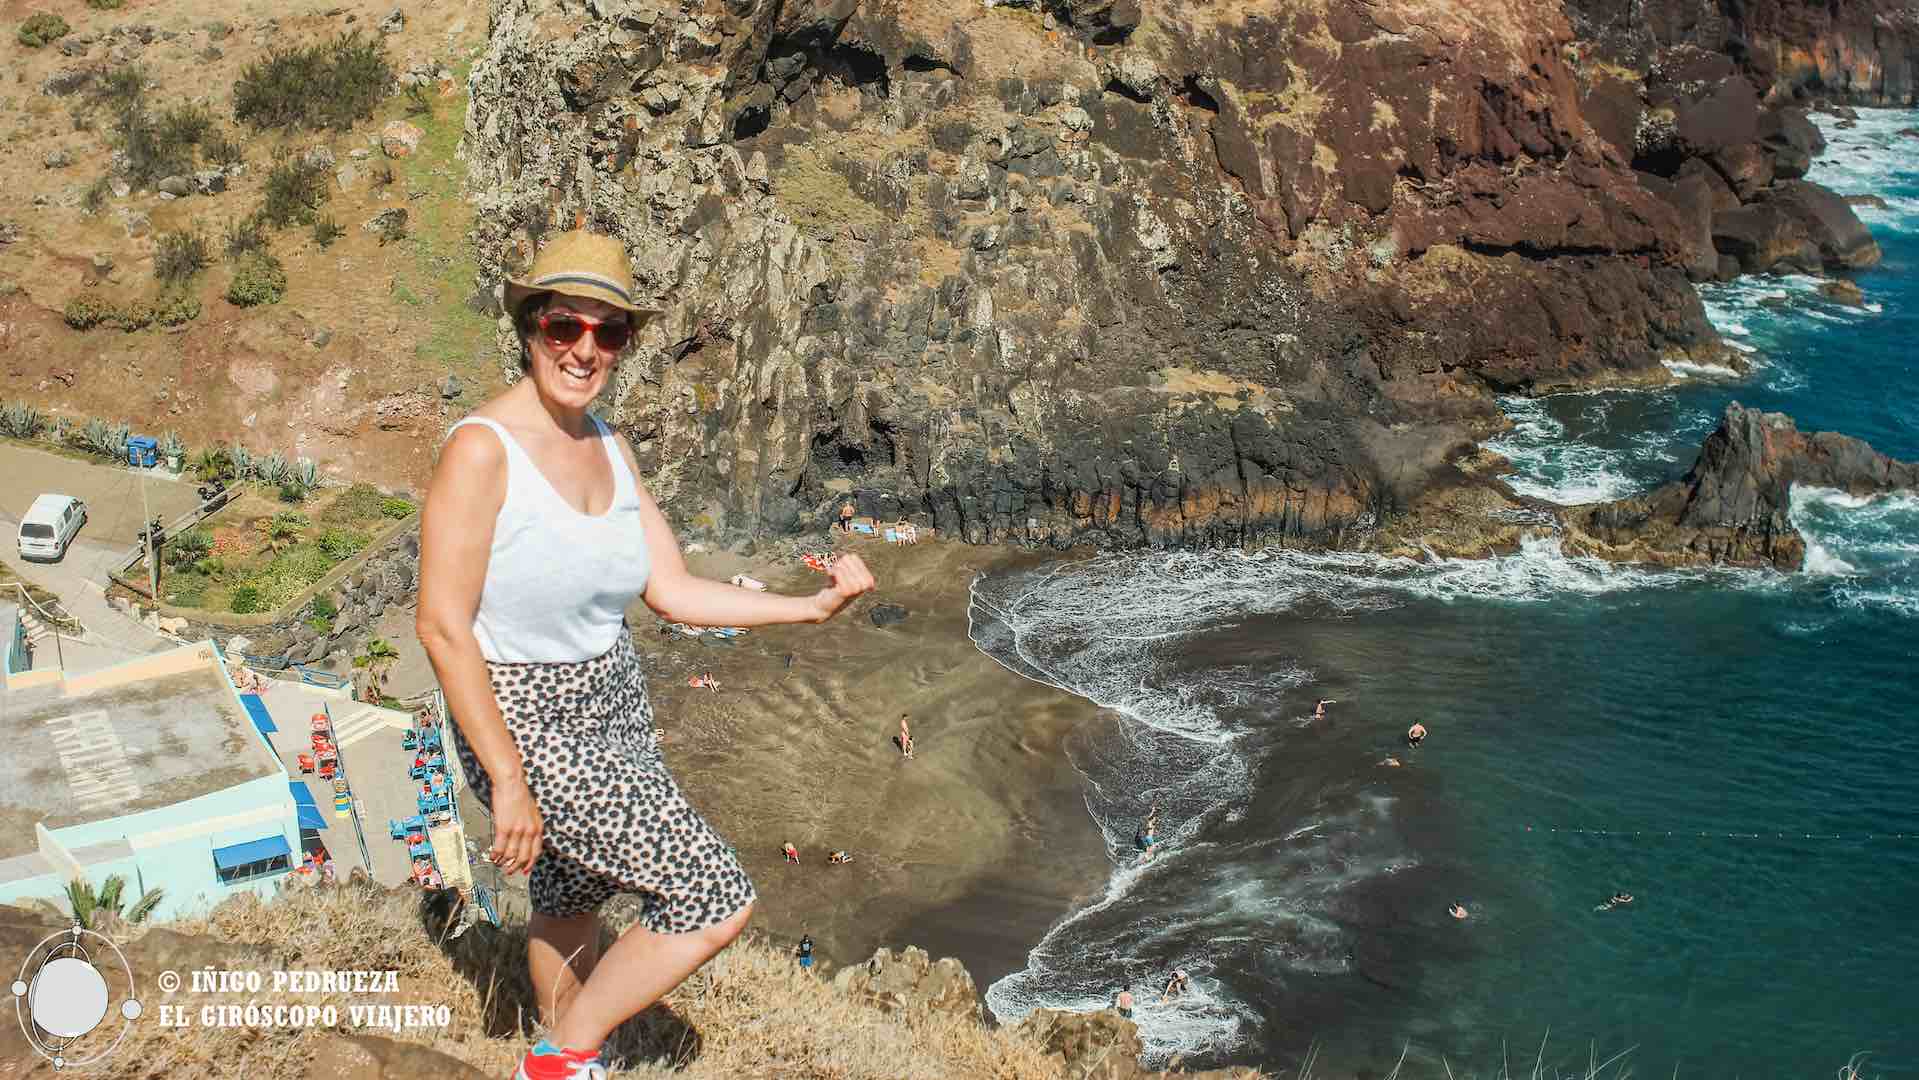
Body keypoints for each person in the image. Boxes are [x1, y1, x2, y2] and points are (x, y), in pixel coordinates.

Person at [415, 229, 878, 1080]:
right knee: (712, 894)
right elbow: (442, 626)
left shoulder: (609, 446)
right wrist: (506, 775)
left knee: (571, 893)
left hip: (614, 704)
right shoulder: (481, 449)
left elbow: (671, 589)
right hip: (524, 717)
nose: (584, 350)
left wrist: (807, 610)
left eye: (609, 332)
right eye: (564, 326)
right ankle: (559, 1057)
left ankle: (559, 1054)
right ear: (528, 326)